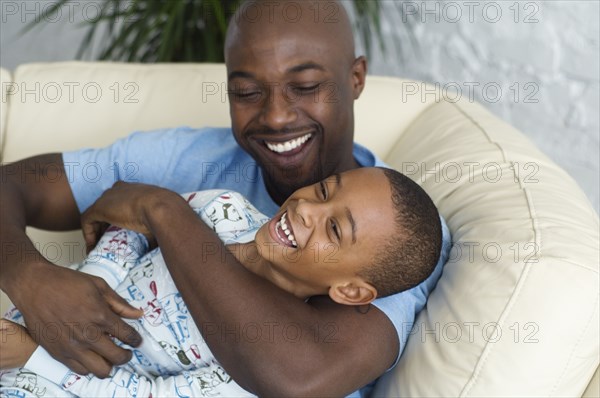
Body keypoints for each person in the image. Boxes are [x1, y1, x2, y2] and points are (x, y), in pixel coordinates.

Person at [0, 0, 452, 396]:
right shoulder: (200, 165)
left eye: (307, 86)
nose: (276, 117)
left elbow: (298, 378)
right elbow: (12, 186)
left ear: (355, 78)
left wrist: (160, 209)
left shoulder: (397, 231)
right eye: (247, 92)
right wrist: (31, 276)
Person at [1, 167, 443, 397]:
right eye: (325, 190)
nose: (309, 208)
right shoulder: (223, 210)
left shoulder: (259, 357)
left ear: (349, 291)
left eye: (334, 230)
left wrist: (34, 353)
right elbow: (131, 227)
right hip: (31, 319)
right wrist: (86, 294)